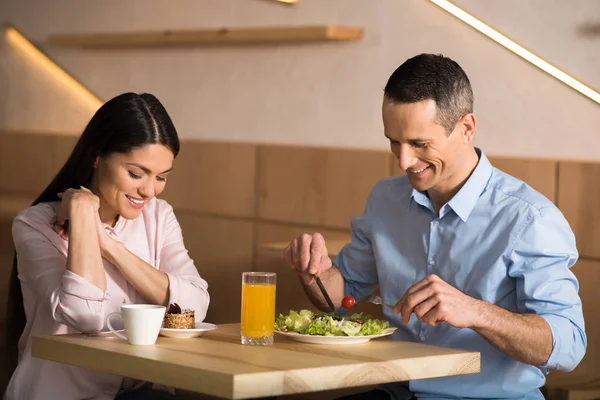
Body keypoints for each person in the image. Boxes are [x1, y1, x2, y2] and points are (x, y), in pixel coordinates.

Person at [283, 54, 586, 400]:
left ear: (466, 128)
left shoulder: (530, 218)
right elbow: (341, 296)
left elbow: (569, 344)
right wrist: (315, 275)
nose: (403, 161)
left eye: (419, 144)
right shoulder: (384, 199)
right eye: (394, 142)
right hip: (394, 393)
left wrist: (475, 311)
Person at [5, 93, 210, 400]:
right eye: (136, 174)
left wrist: (108, 245)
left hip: (143, 393)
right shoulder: (33, 225)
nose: (149, 190)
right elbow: (85, 314)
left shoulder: (159, 216)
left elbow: (195, 308)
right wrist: (85, 215)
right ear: (97, 156)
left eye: (162, 177)